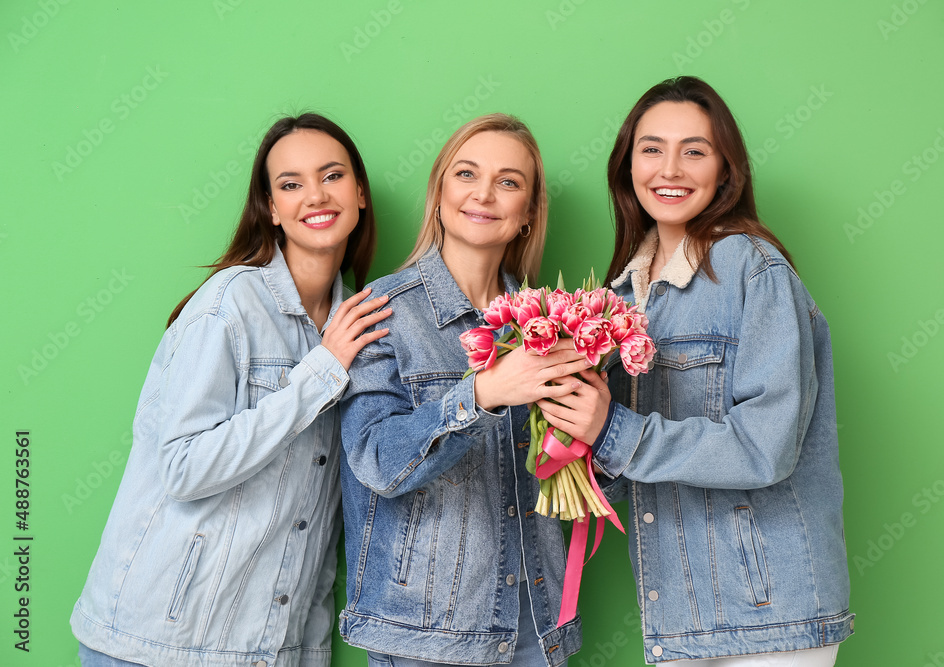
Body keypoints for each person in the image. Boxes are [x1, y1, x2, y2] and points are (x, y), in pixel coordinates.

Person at [537, 77, 853, 665]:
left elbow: (767, 446)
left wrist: (611, 432)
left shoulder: (752, 268)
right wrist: (570, 435)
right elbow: (627, 463)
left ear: (725, 169)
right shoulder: (617, 297)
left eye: (695, 150)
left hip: (772, 613)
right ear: (627, 165)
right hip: (679, 615)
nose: (670, 169)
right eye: (652, 148)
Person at [70, 113, 391, 667]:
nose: (315, 195)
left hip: (264, 651)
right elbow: (184, 467)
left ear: (359, 193)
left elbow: (317, 518)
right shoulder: (230, 305)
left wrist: (309, 653)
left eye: (332, 175)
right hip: (156, 645)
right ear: (271, 208)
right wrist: (320, 372)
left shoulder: (356, 326)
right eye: (290, 184)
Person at [338, 113, 595, 667]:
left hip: (539, 625)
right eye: (466, 174)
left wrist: (596, 423)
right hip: (425, 635)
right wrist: (481, 393)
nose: (484, 194)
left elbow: (598, 489)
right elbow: (375, 462)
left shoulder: (555, 322)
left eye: (509, 182)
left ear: (527, 214)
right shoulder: (380, 313)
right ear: (438, 195)